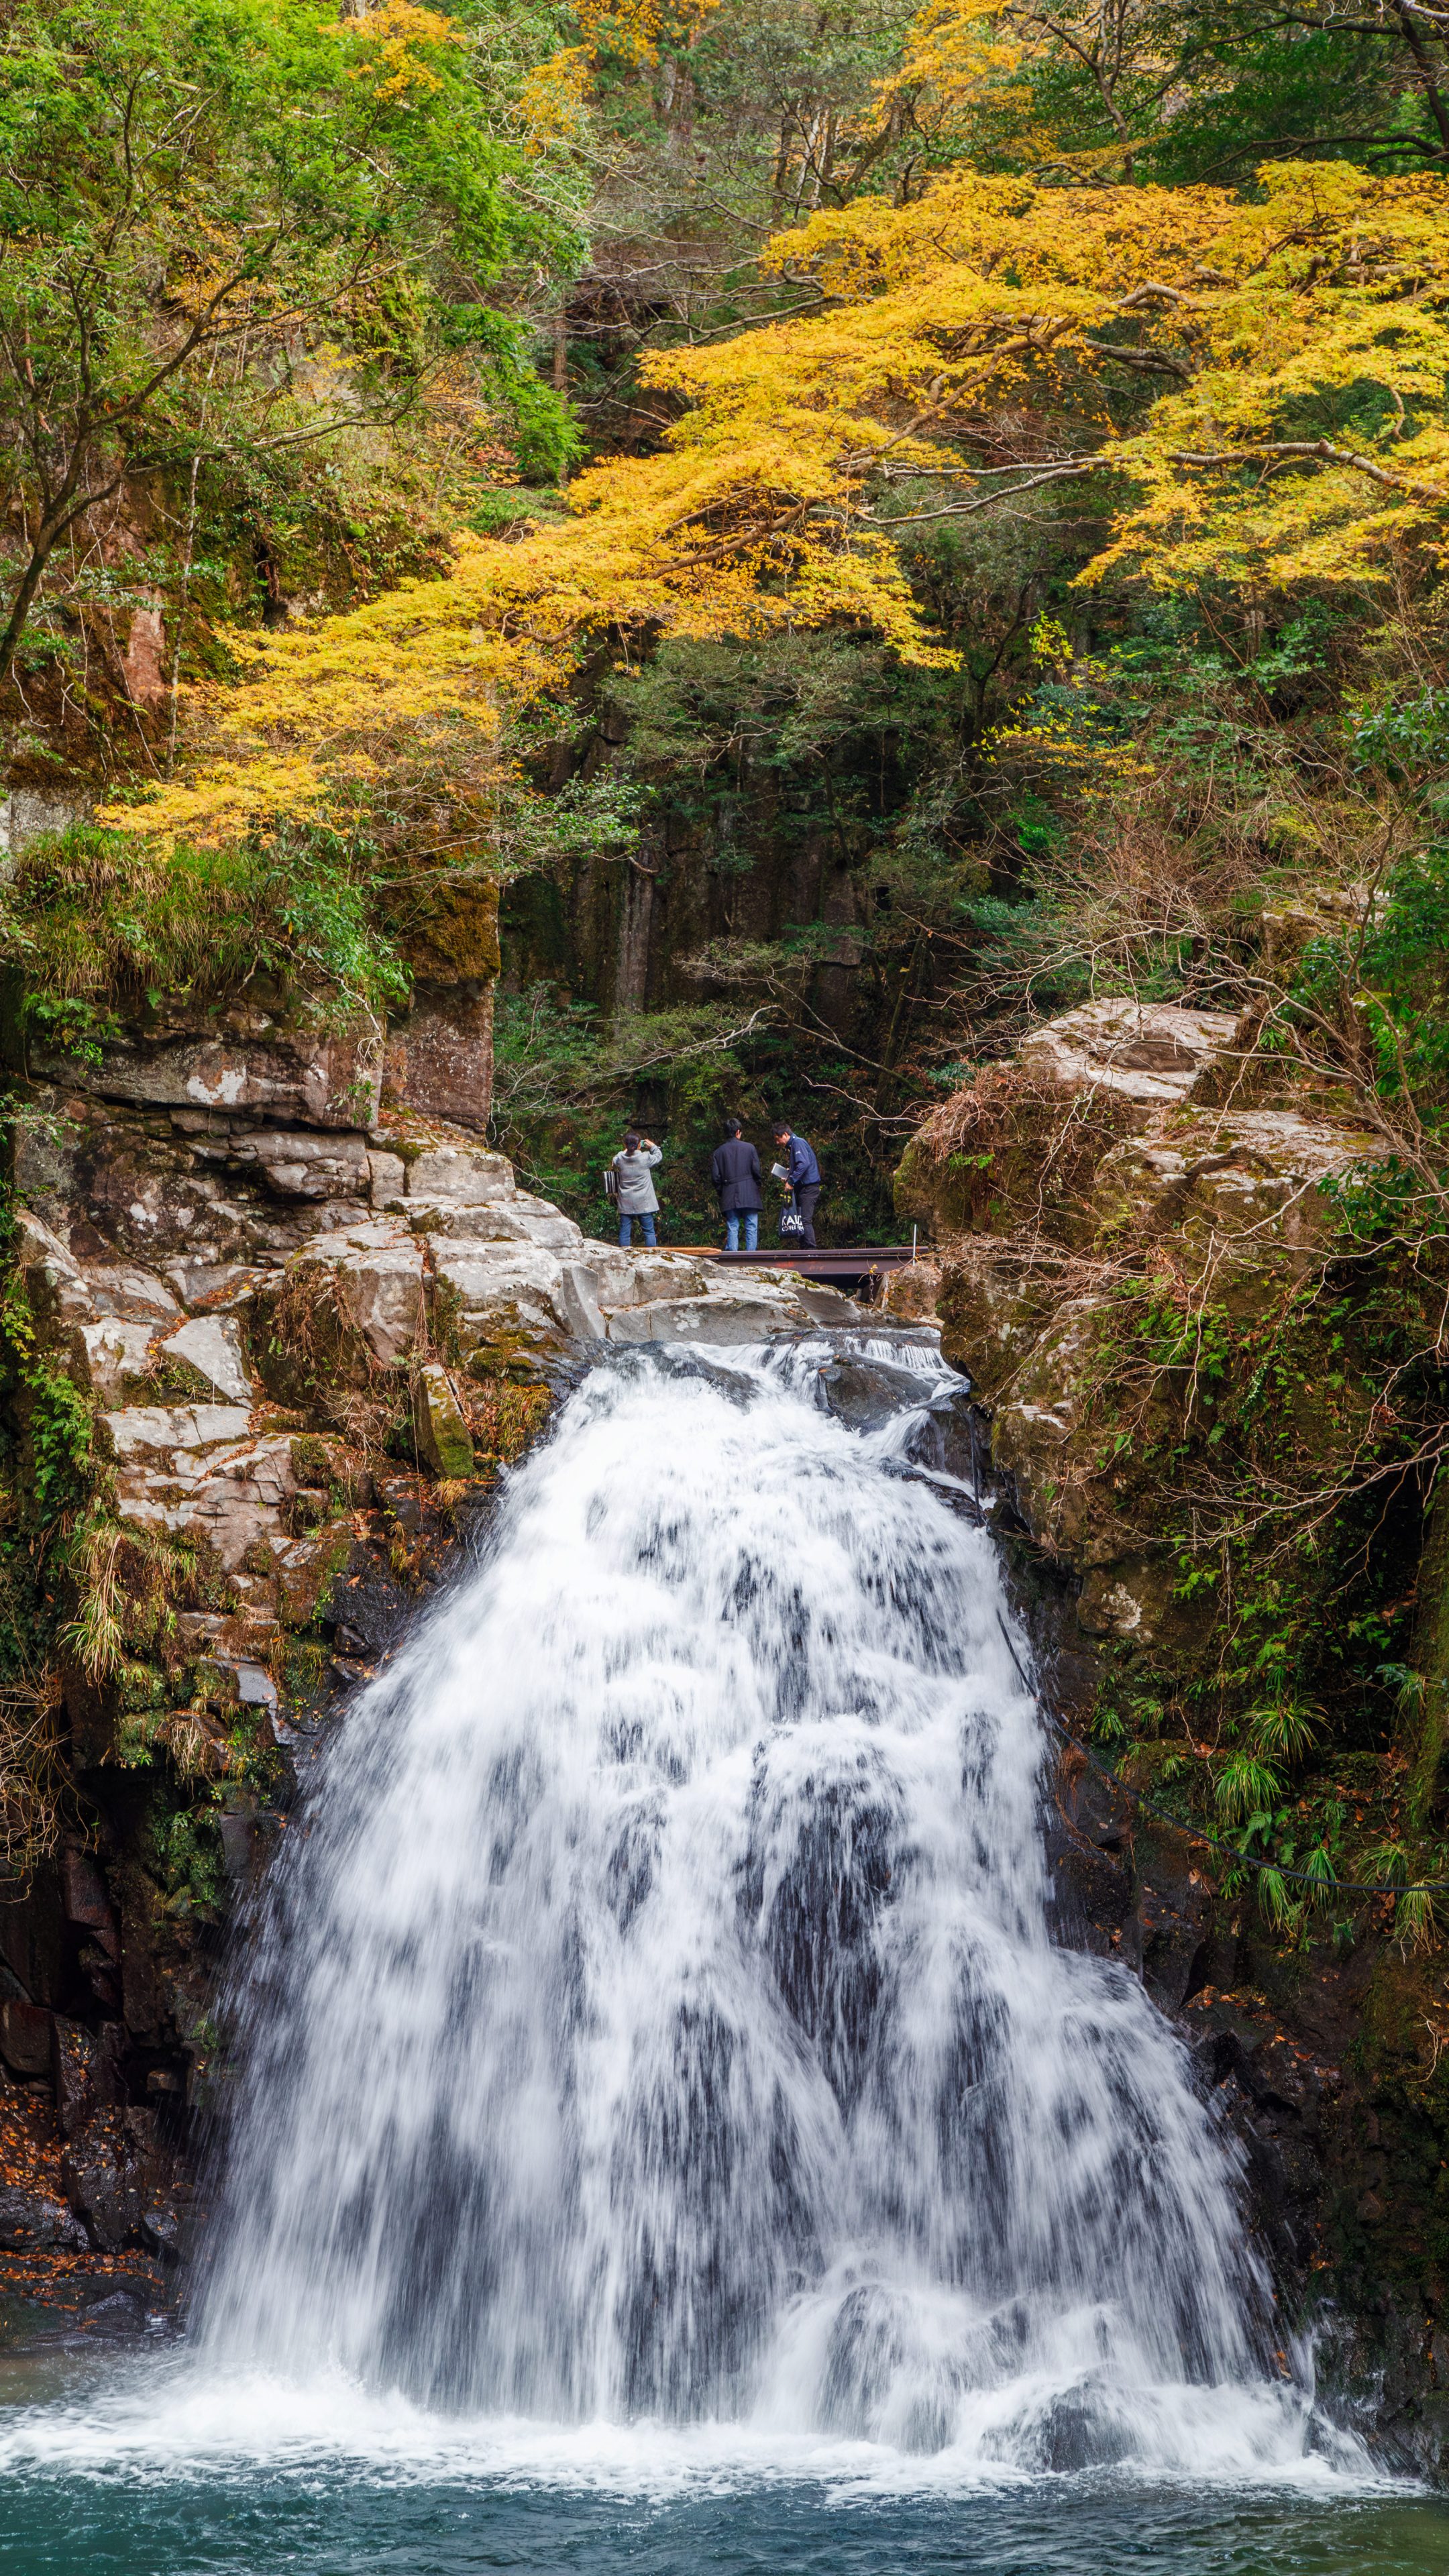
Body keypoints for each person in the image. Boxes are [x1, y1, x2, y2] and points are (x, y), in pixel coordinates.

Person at [710, 1117, 763, 1254]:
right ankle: (751, 1256)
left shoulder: (718, 1152)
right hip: (749, 1190)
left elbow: (716, 1177)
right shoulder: (750, 1148)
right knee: (751, 1225)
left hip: (729, 1191)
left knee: (733, 1225)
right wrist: (757, 1184)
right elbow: (757, 1170)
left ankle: (733, 1256)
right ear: (738, 1132)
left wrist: (722, 1190)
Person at [771, 1120, 822, 1246]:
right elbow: (802, 1164)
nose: (777, 1143)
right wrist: (790, 1173)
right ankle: (804, 1250)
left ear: (785, 1135)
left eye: (778, 1139)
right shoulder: (794, 1145)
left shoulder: (798, 1143)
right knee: (799, 1221)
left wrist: (791, 1181)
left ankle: (811, 1253)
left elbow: (804, 1164)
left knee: (804, 1221)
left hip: (809, 1188)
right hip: (804, 1188)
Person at [612, 1129, 662, 1247]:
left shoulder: (620, 1159)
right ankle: (652, 1259)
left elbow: (615, 1160)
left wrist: (627, 1150)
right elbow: (659, 1156)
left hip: (626, 1201)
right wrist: (653, 1146)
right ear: (639, 1145)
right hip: (644, 1202)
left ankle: (624, 1258)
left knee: (624, 1234)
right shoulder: (646, 1158)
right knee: (649, 1232)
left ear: (625, 1145)